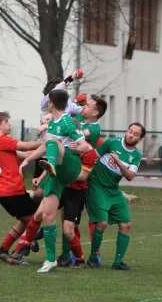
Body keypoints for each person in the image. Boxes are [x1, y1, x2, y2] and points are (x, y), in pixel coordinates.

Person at [17, 89, 91, 273]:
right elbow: (44, 146)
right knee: (47, 216)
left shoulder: (66, 121)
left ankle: (50, 166)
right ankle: (50, 260)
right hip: (56, 173)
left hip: (70, 166)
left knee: (53, 144)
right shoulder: (53, 124)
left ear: (51, 103)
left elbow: (86, 146)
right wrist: (27, 160)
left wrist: (78, 147)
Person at [56, 96, 108, 268]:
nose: (83, 107)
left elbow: (76, 139)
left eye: (88, 106)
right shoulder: (79, 118)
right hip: (69, 174)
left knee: (90, 218)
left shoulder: (93, 130)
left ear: (95, 112)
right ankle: (66, 254)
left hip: (84, 177)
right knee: (64, 216)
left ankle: (94, 255)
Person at [86, 123, 145, 271]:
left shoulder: (136, 155)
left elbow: (130, 176)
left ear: (140, 138)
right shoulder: (111, 143)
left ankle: (118, 262)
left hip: (113, 189)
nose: (131, 135)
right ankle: (93, 257)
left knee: (126, 224)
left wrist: (118, 161)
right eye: (130, 131)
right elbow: (92, 157)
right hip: (96, 185)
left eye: (135, 134)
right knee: (102, 223)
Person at [0, 111, 43, 262]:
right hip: (11, 191)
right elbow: (26, 145)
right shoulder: (1, 140)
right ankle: (25, 247)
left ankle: (3, 250)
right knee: (36, 220)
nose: (9, 124)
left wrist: (44, 150)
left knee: (25, 222)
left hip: (9, 191)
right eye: (6, 121)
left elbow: (26, 154)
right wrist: (50, 142)